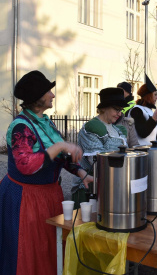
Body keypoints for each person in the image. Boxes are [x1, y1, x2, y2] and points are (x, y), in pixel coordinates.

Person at [0, 70, 93, 275]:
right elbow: (26, 164)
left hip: (50, 195)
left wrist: (81, 173)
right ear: (37, 98)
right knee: (27, 251)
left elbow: (59, 157)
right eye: (48, 91)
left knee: (50, 248)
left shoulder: (46, 122)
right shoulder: (20, 127)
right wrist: (59, 146)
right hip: (25, 199)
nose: (52, 95)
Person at [72, 87, 131, 208]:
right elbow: (97, 162)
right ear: (103, 108)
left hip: (111, 187)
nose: (119, 114)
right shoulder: (92, 127)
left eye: (121, 110)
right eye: (116, 109)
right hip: (89, 190)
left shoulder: (118, 130)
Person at [129, 75, 157, 145]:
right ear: (148, 96)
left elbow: (152, 133)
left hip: (151, 151)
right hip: (142, 151)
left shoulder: (148, 110)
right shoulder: (136, 110)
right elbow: (143, 133)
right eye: (155, 95)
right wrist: (154, 117)